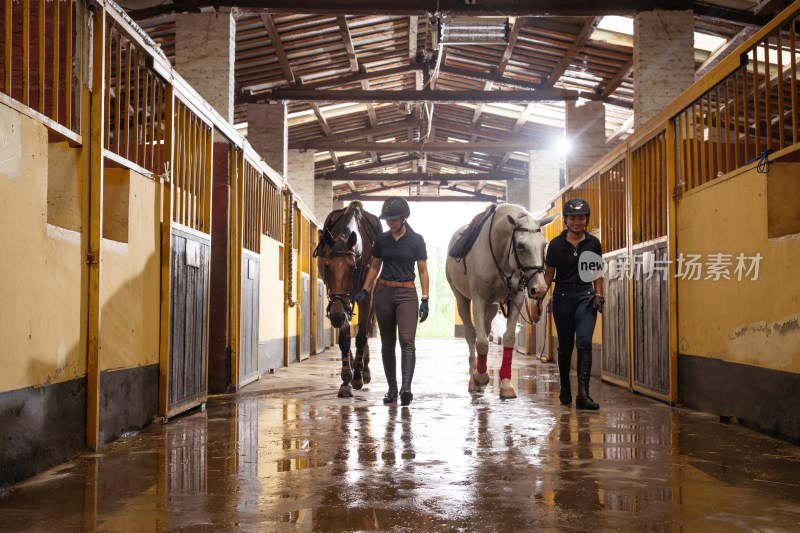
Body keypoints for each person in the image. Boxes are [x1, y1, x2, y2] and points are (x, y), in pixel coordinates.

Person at [355, 197, 429, 406]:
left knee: (407, 341)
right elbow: (374, 266)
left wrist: (425, 298)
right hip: (384, 293)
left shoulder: (417, 240)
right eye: (387, 219)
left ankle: (406, 389)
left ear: (404, 218)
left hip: (407, 294)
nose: (389, 223)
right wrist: (365, 289)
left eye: (393, 219)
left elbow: (423, 270)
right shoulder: (382, 239)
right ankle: (392, 389)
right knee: (388, 344)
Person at [535, 197, 604, 410]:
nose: (577, 222)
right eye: (572, 218)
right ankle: (565, 388)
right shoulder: (555, 245)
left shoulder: (593, 243)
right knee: (565, 347)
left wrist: (598, 295)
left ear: (586, 219)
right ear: (565, 220)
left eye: (581, 218)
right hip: (563, 298)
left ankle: (583, 394)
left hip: (586, 297)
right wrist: (538, 301)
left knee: (584, 341)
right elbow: (548, 277)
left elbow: (597, 274)